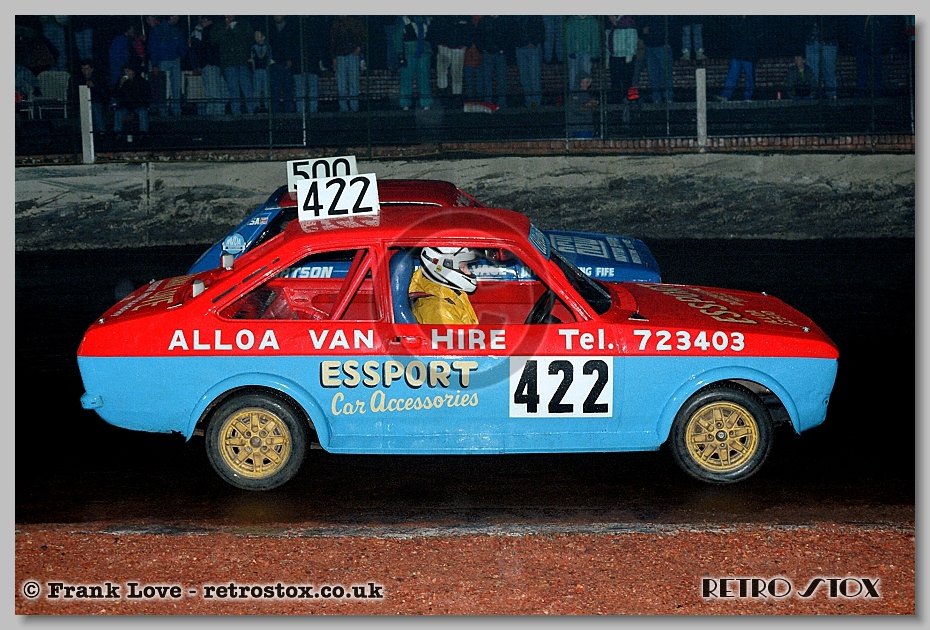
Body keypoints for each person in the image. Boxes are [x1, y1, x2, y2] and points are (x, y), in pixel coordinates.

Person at [408, 247, 480, 325]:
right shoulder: (437, 309)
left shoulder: (450, 294)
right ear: (444, 267)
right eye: (463, 267)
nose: (468, 272)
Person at [211, 15, 254, 115]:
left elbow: (250, 38)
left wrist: (235, 29)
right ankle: (236, 114)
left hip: (242, 62)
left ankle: (251, 112)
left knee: (247, 88)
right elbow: (213, 39)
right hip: (228, 63)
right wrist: (226, 28)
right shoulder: (219, 25)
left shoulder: (243, 23)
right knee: (233, 89)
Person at [146, 15, 187, 118]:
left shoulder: (158, 30)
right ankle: (175, 111)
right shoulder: (174, 30)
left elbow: (153, 48)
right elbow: (182, 45)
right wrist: (181, 55)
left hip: (165, 60)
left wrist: (155, 64)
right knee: (173, 87)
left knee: (163, 88)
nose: (178, 18)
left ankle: (165, 112)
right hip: (170, 60)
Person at [716, 15, 759, 102]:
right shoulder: (736, 18)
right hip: (737, 52)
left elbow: (756, 35)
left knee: (749, 76)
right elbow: (731, 33)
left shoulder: (753, 19)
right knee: (732, 75)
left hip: (748, 53)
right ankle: (726, 96)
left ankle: (748, 96)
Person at [329, 15, 366, 113]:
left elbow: (362, 35)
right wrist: (333, 57)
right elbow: (332, 40)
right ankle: (346, 108)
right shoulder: (337, 22)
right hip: (341, 55)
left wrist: (359, 47)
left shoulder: (354, 20)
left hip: (351, 53)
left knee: (351, 83)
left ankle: (351, 107)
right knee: (344, 84)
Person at [432, 15, 470, 107]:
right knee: (442, 73)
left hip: (458, 48)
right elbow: (435, 28)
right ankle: (444, 98)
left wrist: (465, 44)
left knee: (457, 74)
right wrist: (439, 43)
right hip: (444, 47)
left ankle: (456, 98)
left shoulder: (464, 16)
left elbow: (469, 30)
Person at [399, 16, 433, 111]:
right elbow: (397, 36)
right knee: (407, 78)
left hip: (423, 51)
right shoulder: (404, 19)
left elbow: (432, 35)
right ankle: (405, 103)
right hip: (409, 52)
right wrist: (400, 53)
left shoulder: (426, 19)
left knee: (423, 78)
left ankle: (425, 103)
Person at [268, 15, 299, 113]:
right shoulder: (270, 28)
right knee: (275, 90)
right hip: (274, 63)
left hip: (286, 63)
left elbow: (293, 44)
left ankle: (289, 112)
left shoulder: (290, 27)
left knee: (288, 89)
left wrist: (290, 58)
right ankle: (275, 113)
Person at [112, 64, 151, 142]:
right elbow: (115, 95)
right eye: (125, 72)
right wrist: (120, 85)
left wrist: (134, 109)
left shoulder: (141, 82)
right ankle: (118, 132)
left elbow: (145, 96)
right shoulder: (122, 82)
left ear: (133, 72)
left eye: (128, 71)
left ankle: (144, 133)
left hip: (138, 105)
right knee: (118, 112)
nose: (126, 73)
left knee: (142, 112)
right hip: (125, 106)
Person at [605, 15, 638, 104]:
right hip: (614, 56)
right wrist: (608, 59)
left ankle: (631, 101)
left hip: (625, 57)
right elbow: (607, 43)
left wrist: (629, 56)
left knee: (628, 81)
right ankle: (617, 101)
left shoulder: (628, 22)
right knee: (615, 82)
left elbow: (632, 40)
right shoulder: (610, 26)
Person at [71, 58, 108, 135]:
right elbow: (73, 92)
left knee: (95, 108)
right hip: (81, 102)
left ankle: (101, 132)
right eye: (83, 69)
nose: (84, 71)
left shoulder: (99, 78)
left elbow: (104, 93)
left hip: (96, 102)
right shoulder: (78, 79)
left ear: (91, 69)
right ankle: (81, 132)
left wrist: (94, 86)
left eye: (87, 69)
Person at [641, 15, 673, 104]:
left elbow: (668, 24)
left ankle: (668, 98)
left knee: (665, 73)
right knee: (653, 74)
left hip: (662, 44)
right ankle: (657, 99)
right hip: (649, 45)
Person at [514, 15, 545, 108]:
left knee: (534, 77)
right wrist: (517, 43)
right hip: (520, 47)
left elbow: (541, 30)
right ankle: (529, 103)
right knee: (524, 78)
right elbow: (513, 29)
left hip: (532, 48)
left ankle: (535, 103)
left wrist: (533, 42)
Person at [805, 16, 839, 99]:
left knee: (828, 72)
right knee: (813, 73)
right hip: (814, 40)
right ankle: (814, 98)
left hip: (827, 40)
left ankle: (831, 98)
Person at [566, 72, 598, 138]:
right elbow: (576, 109)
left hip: (588, 126)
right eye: (584, 82)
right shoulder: (574, 94)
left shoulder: (587, 95)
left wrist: (593, 105)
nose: (586, 85)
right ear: (579, 82)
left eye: (587, 82)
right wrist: (588, 105)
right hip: (578, 127)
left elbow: (592, 111)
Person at [249, 29, 273, 112]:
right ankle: (256, 106)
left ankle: (267, 106)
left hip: (265, 70)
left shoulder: (268, 47)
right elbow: (252, 60)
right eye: (255, 36)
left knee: (266, 89)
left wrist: (268, 68)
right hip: (257, 70)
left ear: (263, 37)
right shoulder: (253, 47)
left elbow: (269, 59)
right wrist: (253, 70)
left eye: (258, 36)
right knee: (257, 89)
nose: (256, 38)